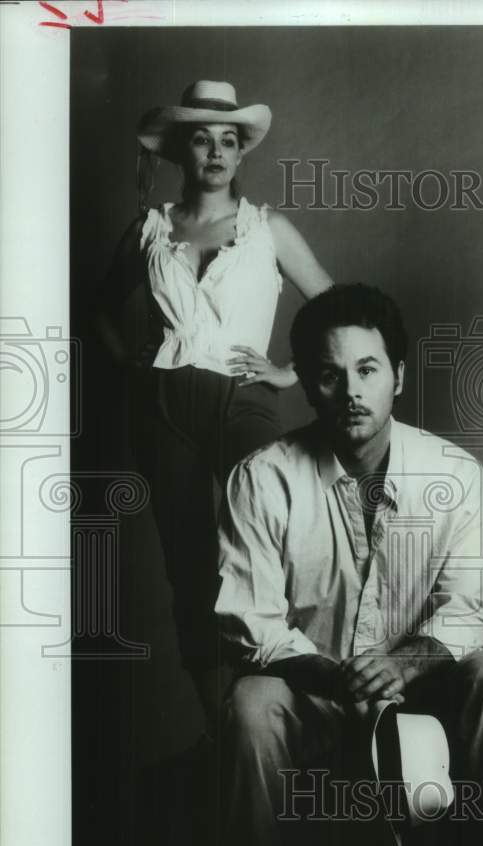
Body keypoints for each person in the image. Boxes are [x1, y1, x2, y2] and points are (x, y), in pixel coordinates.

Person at [214, 283, 483, 846]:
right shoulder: (262, 478)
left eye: (367, 369)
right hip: (314, 690)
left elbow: (468, 606)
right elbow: (249, 617)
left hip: (426, 689)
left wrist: (404, 663)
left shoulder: (451, 473)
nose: (350, 390)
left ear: (397, 376)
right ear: (307, 384)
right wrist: (328, 671)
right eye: (329, 373)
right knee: (250, 705)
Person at [94, 81, 333, 732]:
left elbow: (336, 309)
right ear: (180, 150)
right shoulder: (149, 229)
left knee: (265, 557)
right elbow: (99, 311)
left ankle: (291, 714)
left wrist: (288, 373)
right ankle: (221, 726)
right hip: (165, 406)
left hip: (243, 401)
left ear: (241, 153)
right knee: (190, 567)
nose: (217, 151)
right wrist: (132, 368)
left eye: (229, 139)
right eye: (202, 137)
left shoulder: (267, 228)